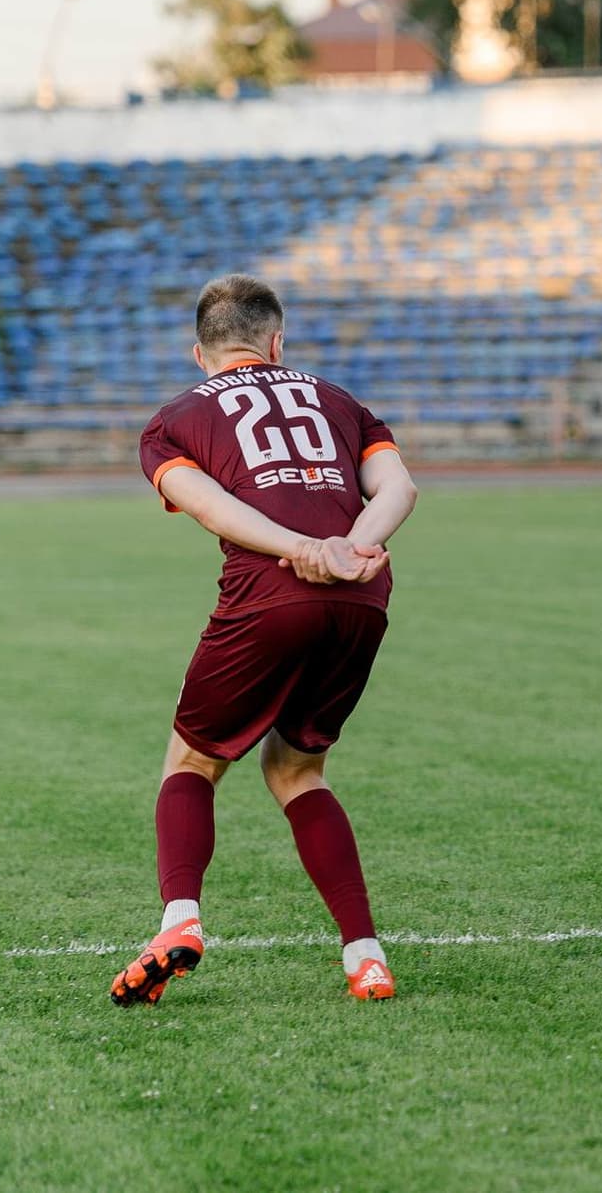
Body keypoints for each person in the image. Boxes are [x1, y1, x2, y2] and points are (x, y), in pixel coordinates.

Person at [111, 274, 419, 1005]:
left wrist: (303, 550)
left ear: (199, 353)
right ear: (277, 344)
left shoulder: (172, 422)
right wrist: (344, 548)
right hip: (364, 595)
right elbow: (400, 489)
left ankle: (180, 921)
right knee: (297, 773)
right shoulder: (341, 401)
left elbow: (212, 507)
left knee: (191, 760)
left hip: (269, 596)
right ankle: (365, 957)